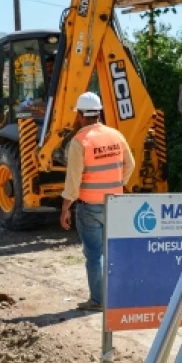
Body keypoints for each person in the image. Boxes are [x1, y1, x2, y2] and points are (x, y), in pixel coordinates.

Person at [60, 92, 134, 311]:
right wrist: (117, 182)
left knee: (94, 254)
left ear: (81, 115)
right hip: (115, 204)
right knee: (114, 252)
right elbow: (130, 164)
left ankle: (99, 301)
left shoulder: (79, 141)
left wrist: (65, 207)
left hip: (90, 206)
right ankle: (117, 297)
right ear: (100, 112)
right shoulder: (116, 136)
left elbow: (73, 179)